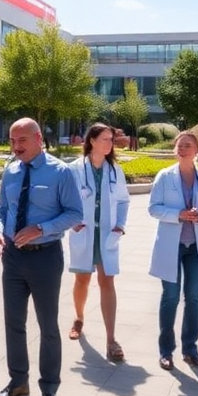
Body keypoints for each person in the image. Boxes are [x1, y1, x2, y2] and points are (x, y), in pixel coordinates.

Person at [0, 117, 83, 396]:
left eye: (22, 141)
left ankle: (49, 390)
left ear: (39, 138)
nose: (16, 147)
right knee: (13, 324)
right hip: (13, 258)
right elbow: (2, 209)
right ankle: (18, 383)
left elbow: (74, 213)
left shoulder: (61, 172)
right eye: (12, 141)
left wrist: (41, 228)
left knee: (48, 326)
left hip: (45, 256)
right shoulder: (10, 170)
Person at [148, 130, 198, 371]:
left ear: (197, 150)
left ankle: (190, 349)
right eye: (179, 145)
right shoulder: (164, 176)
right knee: (170, 297)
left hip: (196, 247)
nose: (182, 149)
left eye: (187, 145)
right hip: (172, 244)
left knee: (193, 297)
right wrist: (178, 215)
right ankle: (166, 351)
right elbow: (154, 208)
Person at [65, 123, 131, 361]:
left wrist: (120, 225)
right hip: (83, 232)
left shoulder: (115, 171)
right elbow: (64, 199)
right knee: (82, 279)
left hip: (107, 234)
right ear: (92, 140)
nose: (110, 143)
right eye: (105, 139)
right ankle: (79, 317)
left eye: (111, 140)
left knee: (107, 281)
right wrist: (72, 222)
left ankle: (111, 339)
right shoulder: (74, 169)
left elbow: (123, 201)